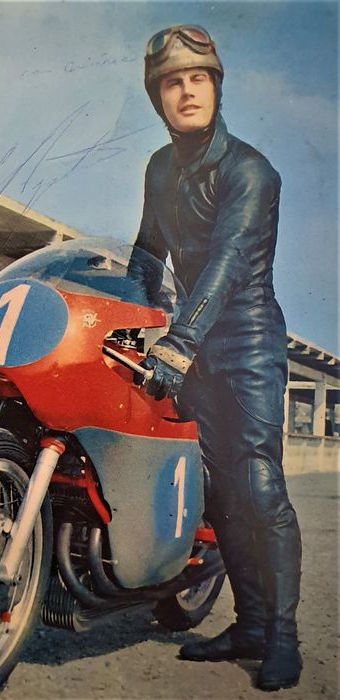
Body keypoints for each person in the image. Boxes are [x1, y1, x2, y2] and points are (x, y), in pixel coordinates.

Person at [133, 25, 303, 691]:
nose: (186, 91)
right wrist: (130, 321)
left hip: (247, 338)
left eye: (197, 78)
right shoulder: (158, 168)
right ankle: (250, 624)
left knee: (258, 485)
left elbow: (229, 261)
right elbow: (147, 253)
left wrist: (178, 340)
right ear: (158, 98)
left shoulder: (250, 171)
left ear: (216, 86)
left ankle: (282, 636)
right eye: (172, 83)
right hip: (191, 339)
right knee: (220, 493)